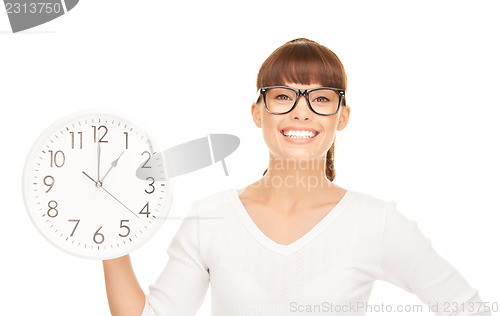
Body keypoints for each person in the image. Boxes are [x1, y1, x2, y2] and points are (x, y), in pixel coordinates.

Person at [102, 38, 491, 316]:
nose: (301, 112)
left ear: (342, 116)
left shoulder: (377, 223)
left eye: (320, 98)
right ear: (258, 112)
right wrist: (106, 237)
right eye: (283, 96)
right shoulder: (210, 220)